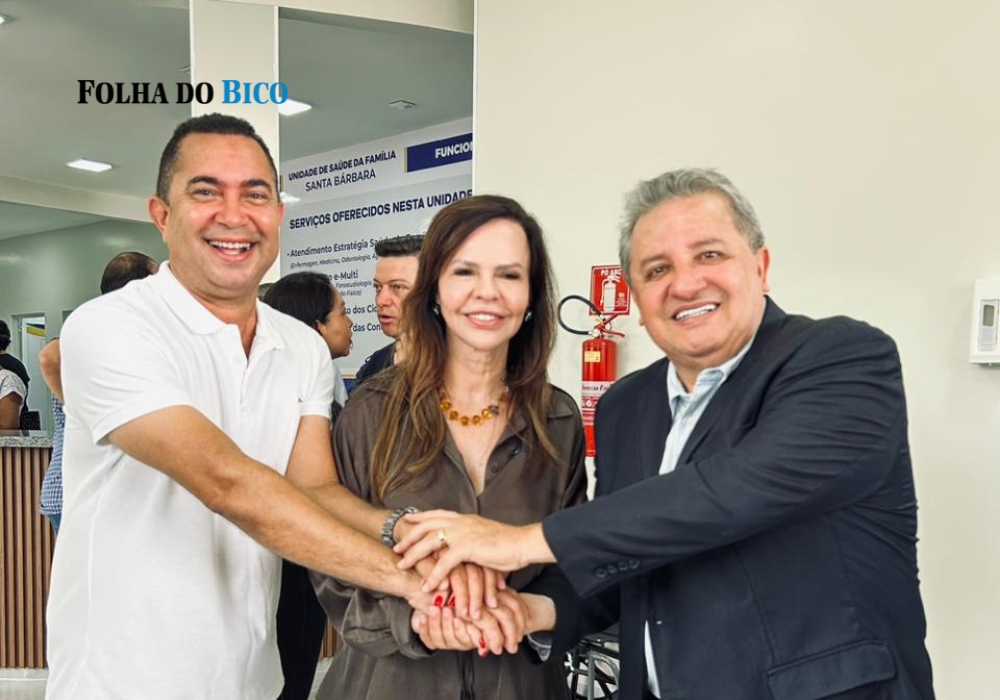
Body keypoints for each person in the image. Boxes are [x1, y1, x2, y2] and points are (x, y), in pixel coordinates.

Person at [396, 169, 936, 700]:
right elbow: (621, 559)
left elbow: (735, 490)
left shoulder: (842, 358)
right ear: (636, 298)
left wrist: (515, 542)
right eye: (657, 269)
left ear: (761, 267)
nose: (685, 283)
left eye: (709, 255)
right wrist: (530, 610)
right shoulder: (625, 406)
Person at [46, 113, 437, 700]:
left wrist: (399, 528)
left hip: (251, 674)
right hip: (123, 677)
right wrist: (412, 582)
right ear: (162, 215)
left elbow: (314, 487)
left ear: (277, 214)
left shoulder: (301, 345)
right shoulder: (110, 326)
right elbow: (228, 483)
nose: (234, 215)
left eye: (255, 195)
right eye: (206, 192)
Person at [311, 195, 587, 700]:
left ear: (530, 296)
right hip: (388, 684)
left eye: (509, 275)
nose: (488, 292)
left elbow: (572, 560)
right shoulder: (373, 412)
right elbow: (330, 564)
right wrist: (413, 619)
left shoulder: (558, 420)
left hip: (519, 684)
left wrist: (526, 612)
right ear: (434, 290)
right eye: (465, 272)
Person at [262, 271, 353, 700]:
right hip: (293, 552)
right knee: (291, 665)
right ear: (316, 327)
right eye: (342, 313)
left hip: (292, 550)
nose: (350, 323)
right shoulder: (294, 399)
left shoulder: (299, 385)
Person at [37, 251, 160, 533]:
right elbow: (49, 356)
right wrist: (93, 417)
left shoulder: (124, 331)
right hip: (85, 490)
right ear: (138, 288)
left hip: (95, 490)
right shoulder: (103, 324)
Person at [353, 234, 424, 385]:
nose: (381, 300)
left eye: (397, 287)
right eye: (377, 287)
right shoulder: (374, 366)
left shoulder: (463, 365)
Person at [0, 319, 31, 426]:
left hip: (13, 425)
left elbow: (7, 424)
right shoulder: (17, 364)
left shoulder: (7, 376)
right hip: (22, 420)